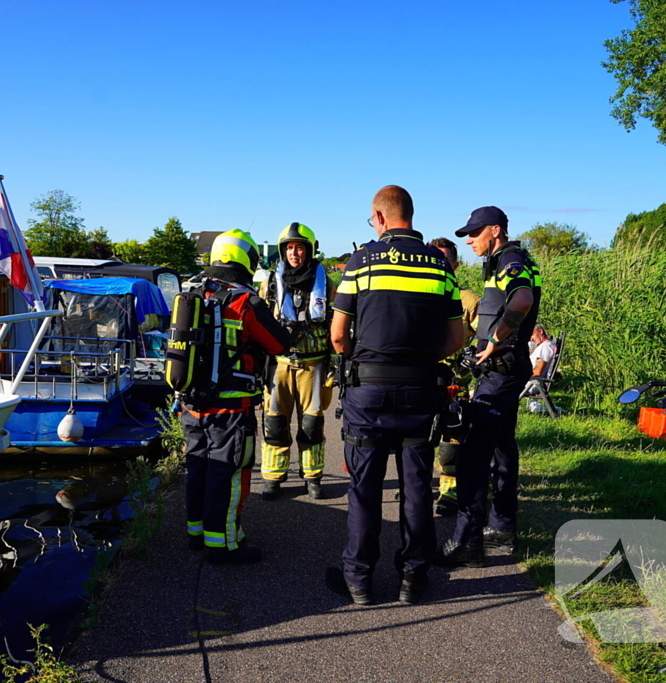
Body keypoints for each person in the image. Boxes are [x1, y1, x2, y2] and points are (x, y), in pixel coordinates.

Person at [328, 185, 465, 605]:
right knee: (417, 489)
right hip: (421, 393)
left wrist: (361, 362)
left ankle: (359, 582)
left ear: (380, 216)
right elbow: (457, 337)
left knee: (365, 491)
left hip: (367, 392)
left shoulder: (361, 260)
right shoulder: (439, 266)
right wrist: (422, 360)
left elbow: (337, 336)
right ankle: (412, 579)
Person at [435, 206, 541, 567]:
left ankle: (468, 542)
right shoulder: (506, 260)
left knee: (472, 456)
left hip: (500, 372)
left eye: (474, 233)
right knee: (502, 449)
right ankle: (502, 529)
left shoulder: (510, 259)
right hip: (506, 370)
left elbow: (522, 301)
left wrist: (495, 338)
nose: (468, 240)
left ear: (494, 230)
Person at [181, 229, 292, 565]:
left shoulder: (193, 289)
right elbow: (280, 344)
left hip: (191, 402)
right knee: (227, 473)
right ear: (247, 259)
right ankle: (224, 544)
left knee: (198, 466)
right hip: (230, 407)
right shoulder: (246, 300)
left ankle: (196, 533)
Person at [259, 222, 335, 501]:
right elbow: (260, 321)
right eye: (289, 248)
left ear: (310, 250)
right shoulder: (269, 283)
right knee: (275, 424)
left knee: (312, 425)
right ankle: (273, 479)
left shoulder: (327, 283)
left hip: (314, 364)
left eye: (300, 248)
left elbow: (336, 323)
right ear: (282, 252)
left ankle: (312, 477)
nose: (294, 253)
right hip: (278, 364)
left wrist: (336, 362)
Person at [427, 236, 480, 515]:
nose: (440, 265)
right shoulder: (418, 294)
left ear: (455, 265)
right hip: (422, 376)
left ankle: (449, 493)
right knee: (419, 435)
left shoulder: (468, 300)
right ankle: (418, 485)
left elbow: (485, 334)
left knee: (451, 439)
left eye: (445, 260)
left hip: (453, 380)